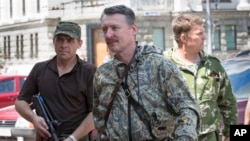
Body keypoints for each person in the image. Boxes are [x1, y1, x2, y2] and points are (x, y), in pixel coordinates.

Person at [93, 5, 200, 141]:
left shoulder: (159, 65)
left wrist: (184, 137)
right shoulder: (102, 73)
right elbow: (99, 117)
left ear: (133, 30)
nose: (108, 35)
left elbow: (187, 107)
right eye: (104, 29)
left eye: (115, 28)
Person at [15, 21, 96, 141]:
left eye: (70, 40)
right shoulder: (40, 69)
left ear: (79, 43)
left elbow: (96, 113)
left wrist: (72, 138)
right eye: (60, 40)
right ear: (54, 41)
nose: (64, 45)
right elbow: (20, 102)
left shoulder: (89, 72)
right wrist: (34, 119)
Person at [165, 14, 238, 141]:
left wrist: (230, 133)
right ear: (184, 38)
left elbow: (228, 102)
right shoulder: (163, 65)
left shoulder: (213, 65)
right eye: (199, 34)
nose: (204, 38)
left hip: (209, 137)